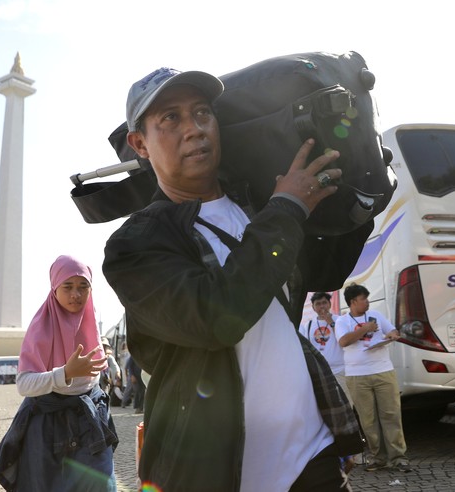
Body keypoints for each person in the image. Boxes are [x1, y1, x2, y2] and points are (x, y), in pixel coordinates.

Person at [102, 67, 362, 491]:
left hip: (312, 459)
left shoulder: (257, 204)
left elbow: (323, 276)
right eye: (171, 118)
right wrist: (287, 210)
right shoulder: (134, 244)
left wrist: (355, 193)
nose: (194, 129)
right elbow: (215, 317)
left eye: (202, 112)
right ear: (140, 144)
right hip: (218, 475)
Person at [0, 255, 119, 491]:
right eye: (67, 287)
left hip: (91, 419)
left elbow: (94, 372)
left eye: (84, 287)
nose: (76, 295)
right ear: (54, 288)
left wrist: (107, 365)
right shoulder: (41, 328)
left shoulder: (89, 321)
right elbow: (24, 384)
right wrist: (65, 373)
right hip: (50, 425)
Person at [335, 283, 410, 473]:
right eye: (364, 299)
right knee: (368, 420)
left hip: (383, 371)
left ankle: (398, 457)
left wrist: (392, 335)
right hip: (356, 376)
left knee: (391, 414)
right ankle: (378, 457)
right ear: (353, 302)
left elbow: (392, 330)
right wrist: (365, 328)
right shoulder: (342, 321)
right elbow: (344, 341)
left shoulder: (377, 315)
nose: (368, 302)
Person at [299, 292, 351, 404]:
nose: (322, 306)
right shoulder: (308, 325)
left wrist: (331, 322)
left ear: (329, 304)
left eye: (324, 303)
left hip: (341, 371)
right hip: (320, 372)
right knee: (326, 404)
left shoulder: (340, 320)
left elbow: (344, 340)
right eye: (318, 304)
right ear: (313, 307)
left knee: (346, 403)